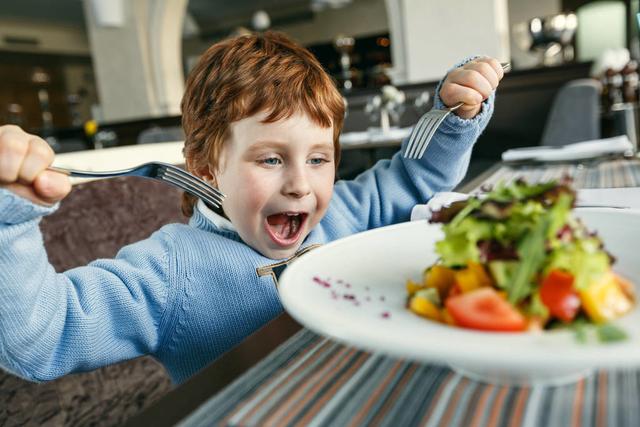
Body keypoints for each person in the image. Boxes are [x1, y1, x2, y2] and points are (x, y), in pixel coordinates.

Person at [0, 31, 504, 384]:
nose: (301, 186)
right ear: (204, 166)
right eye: (269, 158)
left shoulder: (343, 211)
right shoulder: (171, 272)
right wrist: (9, 217)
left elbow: (416, 176)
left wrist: (454, 114)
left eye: (319, 158)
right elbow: (43, 338)